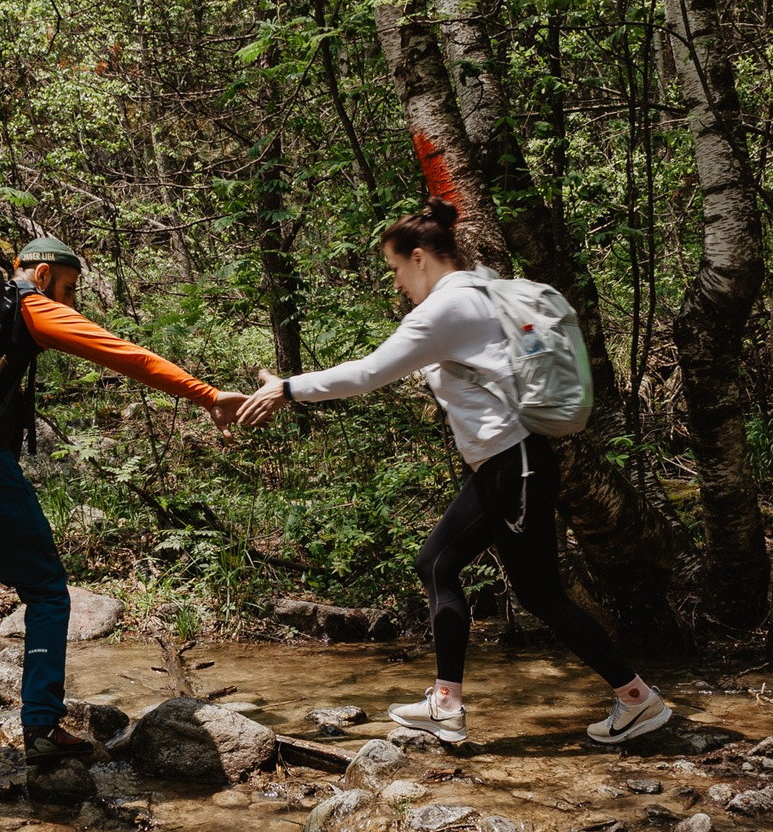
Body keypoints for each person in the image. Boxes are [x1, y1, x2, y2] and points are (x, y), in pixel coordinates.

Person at [237, 202, 671, 747]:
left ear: (419, 258)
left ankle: (638, 699)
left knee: (540, 594)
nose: (397, 284)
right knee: (437, 563)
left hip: (516, 463)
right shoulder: (480, 290)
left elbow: (371, 372)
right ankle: (446, 704)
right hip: (505, 463)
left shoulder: (449, 308)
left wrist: (288, 387)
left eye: (395, 268)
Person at [0, 234, 246, 763]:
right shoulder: (27, 306)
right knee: (47, 591)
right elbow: (126, 355)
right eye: (70, 289)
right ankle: (40, 726)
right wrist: (208, 395)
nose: (72, 303)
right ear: (41, 275)